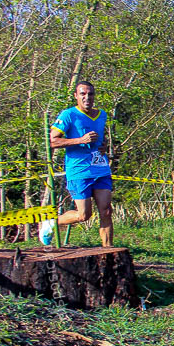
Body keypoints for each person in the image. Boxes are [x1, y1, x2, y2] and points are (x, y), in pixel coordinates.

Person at [40, 81, 114, 247]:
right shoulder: (68, 115)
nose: (87, 97)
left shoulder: (101, 115)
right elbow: (53, 141)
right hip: (79, 170)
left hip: (100, 168)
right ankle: (52, 223)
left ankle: (109, 253)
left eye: (90, 94)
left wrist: (104, 146)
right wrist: (80, 140)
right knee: (83, 215)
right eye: (83, 94)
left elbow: (102, 139)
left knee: (106, 210)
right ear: (76, 96)